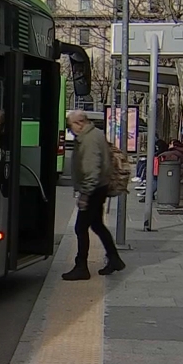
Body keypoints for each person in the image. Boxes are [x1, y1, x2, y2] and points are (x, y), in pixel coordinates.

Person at [62, 110, 125, 281]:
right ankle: (114, 259)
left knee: (80, 228)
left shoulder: (88, 140)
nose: (70, 130)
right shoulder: (96, 133)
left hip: (94, 189)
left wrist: (85, 195)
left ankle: (81, 266)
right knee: (97, 225)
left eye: (70, 126)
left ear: (80, 123)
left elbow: (92, 169)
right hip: (100, 187)